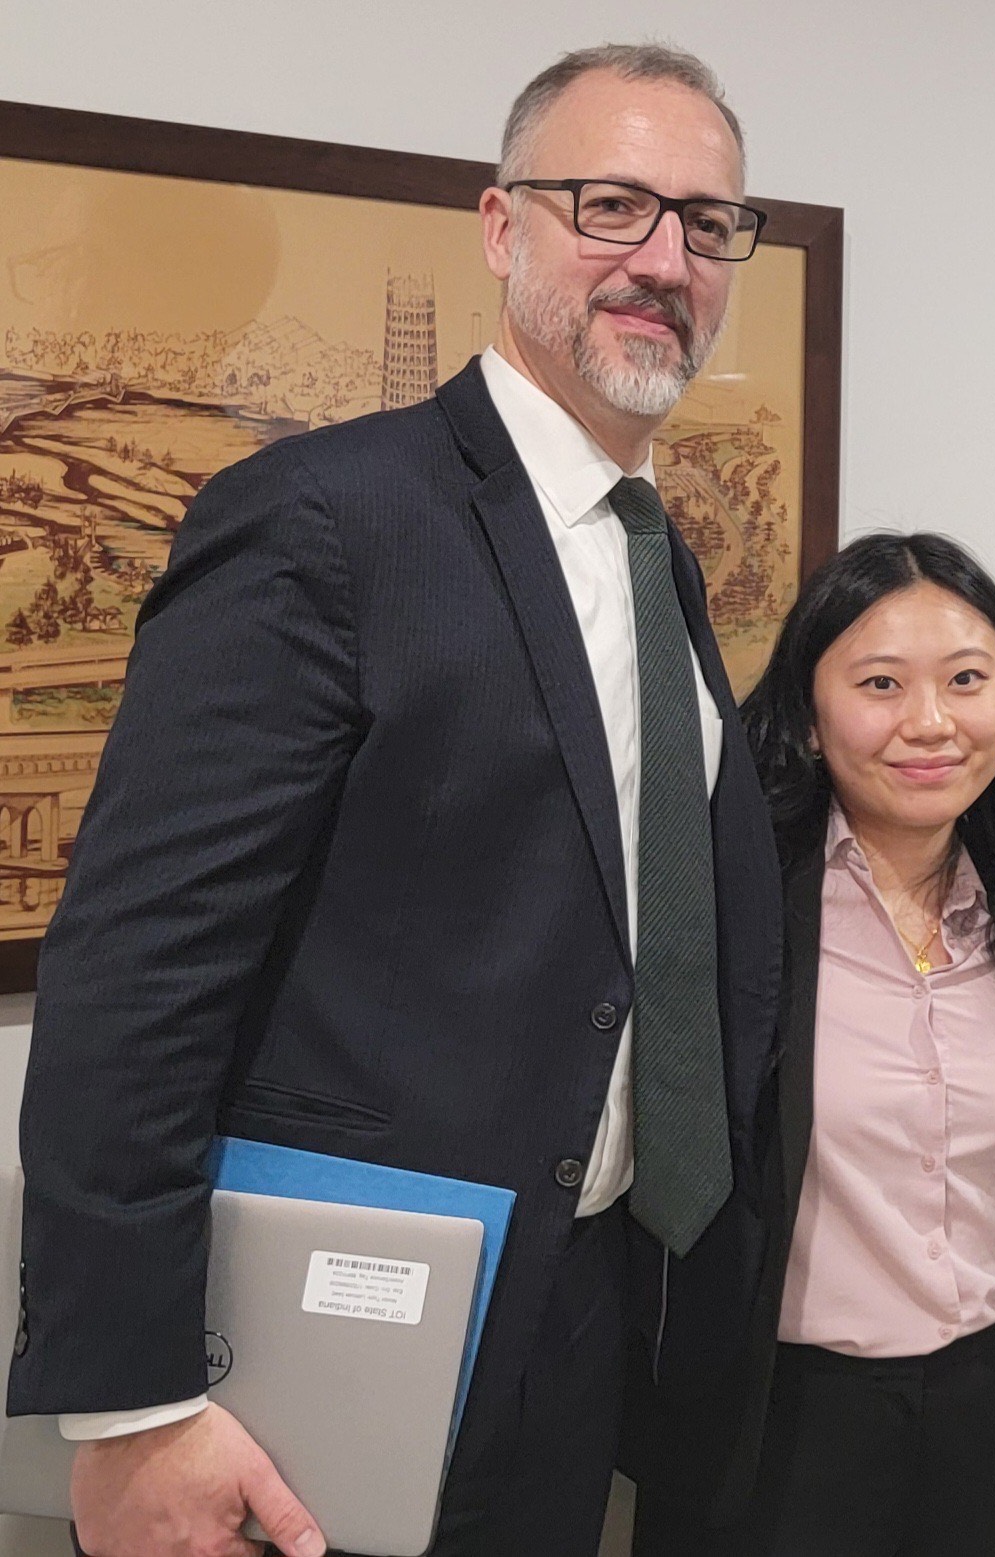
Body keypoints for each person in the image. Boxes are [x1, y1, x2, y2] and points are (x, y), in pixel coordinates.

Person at [9, 44, 783, 1557]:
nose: (664, 259)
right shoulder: (327, 517)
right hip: (333, 1350)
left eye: (707, 224)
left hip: (567, 1321)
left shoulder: (655, 552)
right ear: (502, 228)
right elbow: (137, 970)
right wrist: (132, 1406)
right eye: (611, 204)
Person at [633, 532, 995, 1555]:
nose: (928, 723)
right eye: (880, 683)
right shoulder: (732, 897)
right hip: (777, 1422)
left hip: (994, 1411)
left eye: (966, 680)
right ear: (808, 711)